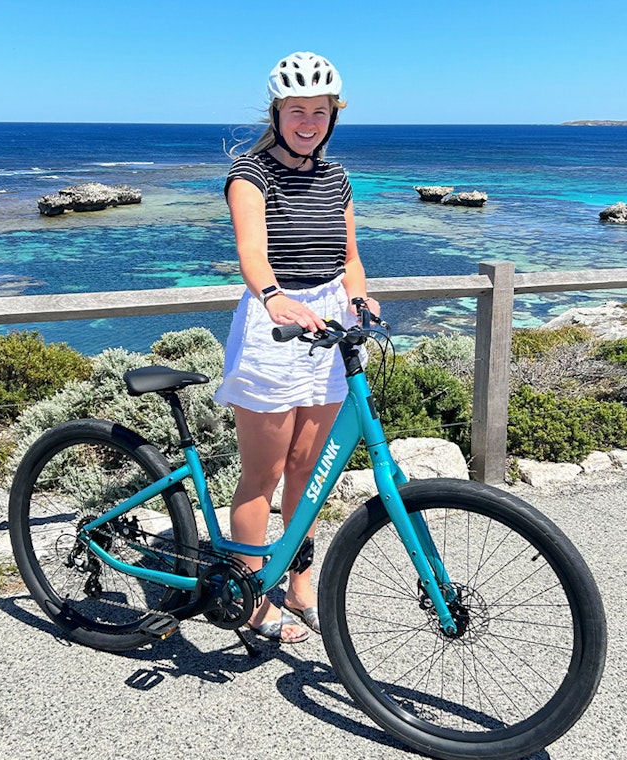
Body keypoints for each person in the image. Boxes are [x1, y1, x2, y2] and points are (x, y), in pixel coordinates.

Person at [216, 51, 380, 643]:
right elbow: (252, 252)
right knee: (263, 475)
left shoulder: (336, 177)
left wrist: (360, 299)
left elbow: (351, 260)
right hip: (275, 326)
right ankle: (251, 589)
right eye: (296, 110)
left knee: (307, 472)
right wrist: (272, 297)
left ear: (332, 116)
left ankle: (298, 580)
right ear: (278, 112)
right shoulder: (249, 173)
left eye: (319, 111)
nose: (307, 121)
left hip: (329, 324)